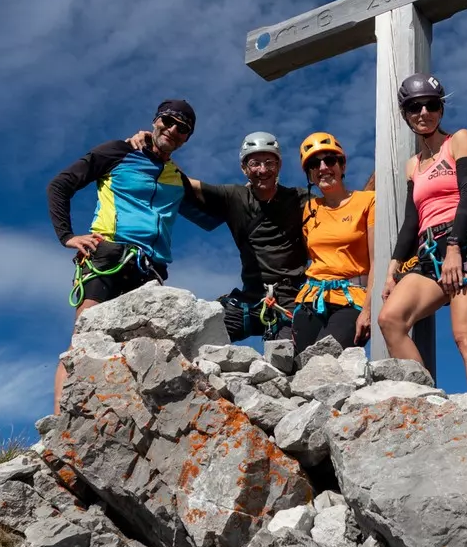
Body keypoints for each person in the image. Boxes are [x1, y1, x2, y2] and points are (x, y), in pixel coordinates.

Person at [47, 99, 209, 415]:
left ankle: (126, 416)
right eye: (168, 121)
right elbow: (60, 185)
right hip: (106, 257)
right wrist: (67, 236)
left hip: (150, 270)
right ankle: (60, 426)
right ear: (155, 120)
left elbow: (218, 205)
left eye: (183, 128)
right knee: (84, 342)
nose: (173, 130)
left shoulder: (176, 177)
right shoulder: (119, 152)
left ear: (187, 138)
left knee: (144, 351)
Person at [378, 75, 467, 401]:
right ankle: (428, 406)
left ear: (441, 108)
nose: (424, 112)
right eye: (414, 107)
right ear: (405, 114)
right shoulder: (412, 165)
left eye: (432, 105)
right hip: (428, 252)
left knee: (466, 336)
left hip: (464, 244)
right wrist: (393, 268)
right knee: (390, 319)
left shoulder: (458, 140)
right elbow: (410, 220)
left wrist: (456, 247)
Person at [127, 130, 308, 342]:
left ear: (279, 166)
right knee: (198, 333)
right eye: (254, 164)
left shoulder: (301, 200)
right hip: (251, 299)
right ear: (244, 168)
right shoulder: (234, 197)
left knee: (286, 355)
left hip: (291, 299)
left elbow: (338, 213)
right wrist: (156, 150)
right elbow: (186, 183)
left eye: (269, 162)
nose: (263, 170)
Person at [292, 133, 374, 354]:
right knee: (299, 367)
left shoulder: (367, 201)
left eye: (329, 160)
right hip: (311, 298)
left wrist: (368, 310)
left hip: (353, 298)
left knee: (324, 360)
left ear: (342, 164)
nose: (322, 167)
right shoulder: (309, 210)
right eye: (313, 164)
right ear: (309, 173)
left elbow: (377, 261)